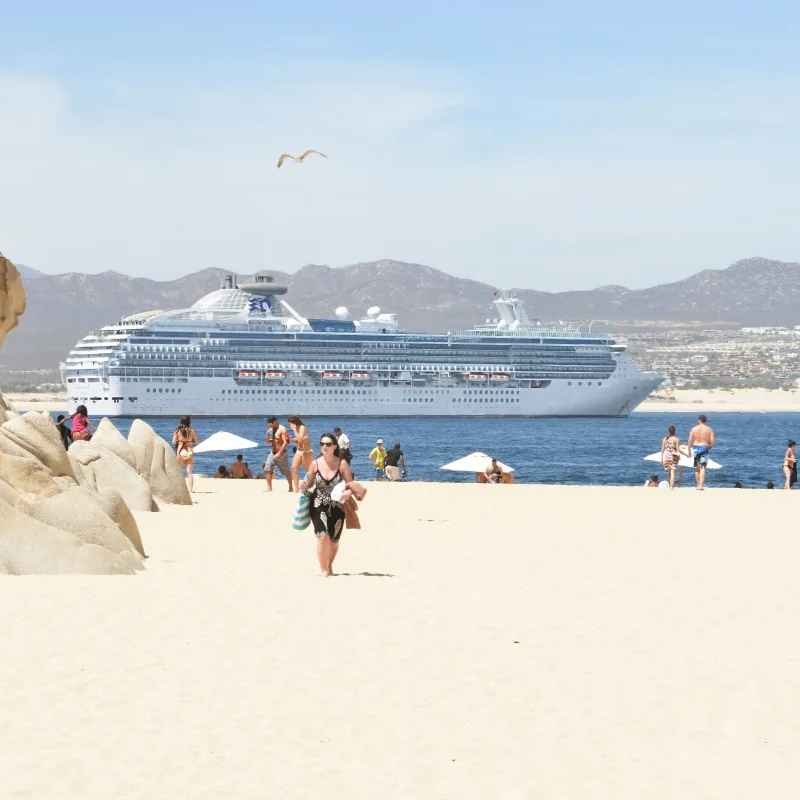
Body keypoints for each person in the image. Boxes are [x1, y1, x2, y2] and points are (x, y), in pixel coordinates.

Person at [298, 433, 355, 577]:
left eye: (328, 444)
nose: (324, 446)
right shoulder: (315, 463)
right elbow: (309, 484)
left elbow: (350, 484)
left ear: (334, 446)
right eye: (322, 444)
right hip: (318, 504)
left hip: (337, 506)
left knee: (334, 542)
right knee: (322, 537)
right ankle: (324, 571)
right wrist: (303, 485)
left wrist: (348, 493)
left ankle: (329, 566)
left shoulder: (342, 463)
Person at [687, 414, 715, 491]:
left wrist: (689, 450)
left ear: (699, 420)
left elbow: (690, 441)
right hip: (704, 448)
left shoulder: (694, 429)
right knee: (702, 467)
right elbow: (712, 441)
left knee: (697, 467)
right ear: (705, 420)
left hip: (696, 448)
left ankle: (697, 484)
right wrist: (709, 446)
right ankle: (701, 486)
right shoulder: (709, 429)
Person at [264, 416, 293, 492]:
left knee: (286, 472)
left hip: (282, 453)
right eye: (269, 425)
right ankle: (269, 488)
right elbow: (268, 442)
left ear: (275, 422)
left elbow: (286, 442)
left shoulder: (282, 429)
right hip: (272, 453)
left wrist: (279, 453)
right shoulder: (271, 430)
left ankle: (290, 487)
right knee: (267, 469)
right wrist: (267, 435)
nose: (270, 426)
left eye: (271, 425)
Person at [171, 415, 199, 492]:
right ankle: (190, 489)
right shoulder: (192, 431)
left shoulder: (177, 431)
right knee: (189, 472)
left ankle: (179, 489)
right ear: (189, 422)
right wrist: (190, 440)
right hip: (189, 450)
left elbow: (173, 442)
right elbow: (197, 442)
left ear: (181, 422)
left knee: (179, 471)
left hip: (180, 451)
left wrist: (179, 441)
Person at [288, 415, 314, 488]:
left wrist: (294, 430)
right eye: (289, 424)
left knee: (308, 471)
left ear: (295, 423)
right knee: (294, 469)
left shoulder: (302, 427)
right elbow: (298, 441)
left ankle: (311, 486)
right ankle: (296, 489)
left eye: (291, 424)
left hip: (307, 451)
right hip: (299, 451)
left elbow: (300, 439)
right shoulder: (296, 428)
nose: (290, 425)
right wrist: (292, 440)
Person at [660, 425, 681, 490]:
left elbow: (662, 449)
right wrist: (685, 454)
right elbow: (678, 449)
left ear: (668, 431)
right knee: (673, 472)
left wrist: (661, 458)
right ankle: (671, 487)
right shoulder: (676, 439)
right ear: (674, 432)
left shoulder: (664, 439)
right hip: (674, 456)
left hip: (666, 456)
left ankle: (670, 486)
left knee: (670, 471)